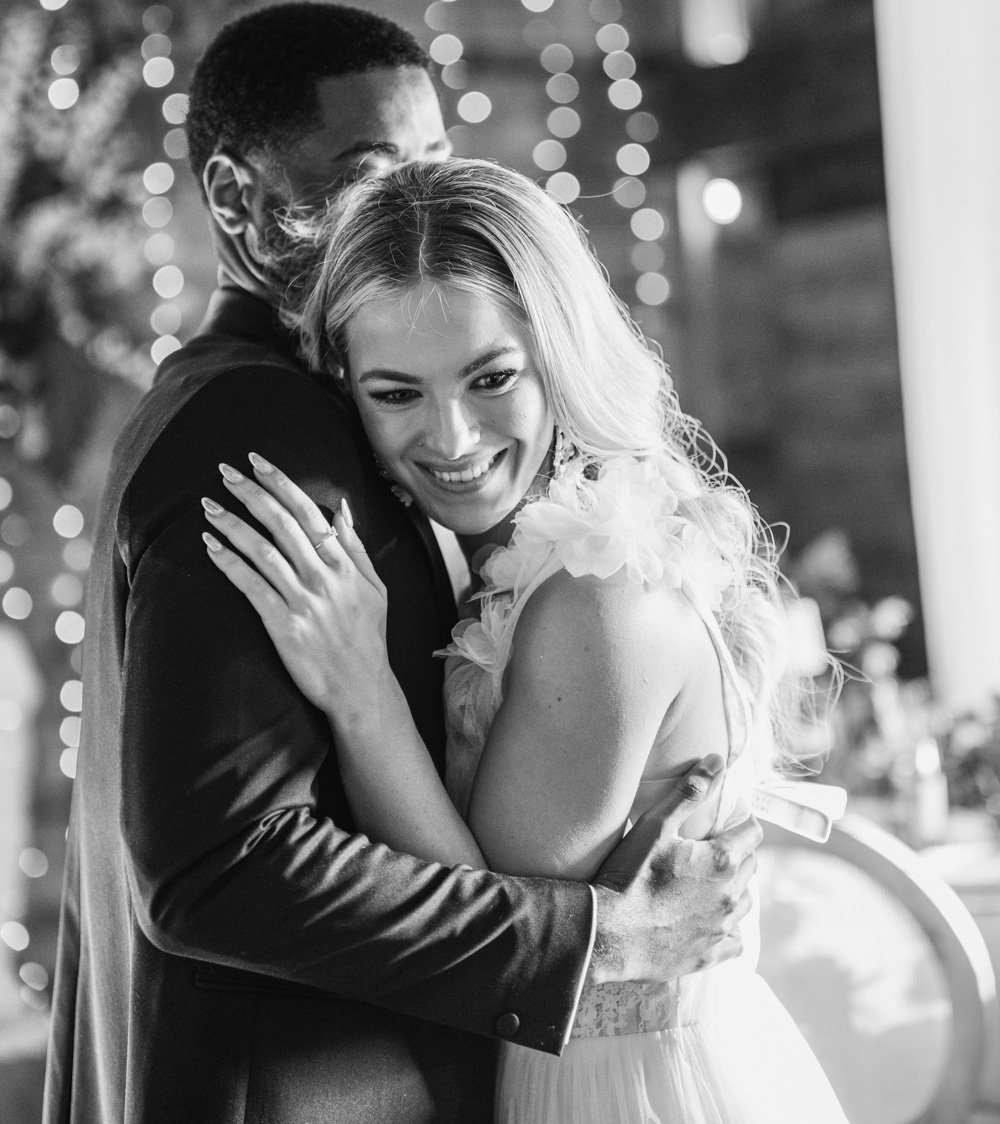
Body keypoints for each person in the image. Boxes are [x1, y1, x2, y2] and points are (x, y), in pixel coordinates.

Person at [43, 3, 760, 1124]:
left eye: (432, 165)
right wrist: (587, 942)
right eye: (370, 176)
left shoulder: (284, 409)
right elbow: (219, 869)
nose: (405, 209)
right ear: (235, 199)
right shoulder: (260, 423)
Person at [202, 155, 850, 1124]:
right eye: (396, 394)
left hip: (627, 1091)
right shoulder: (523, 563)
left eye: (491, 377)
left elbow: (491, 934)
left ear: (564, 352)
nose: (452, 439)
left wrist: (360, 691)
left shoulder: (597, 592)